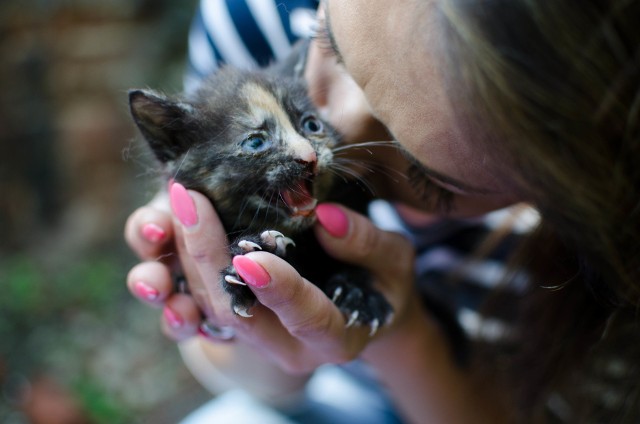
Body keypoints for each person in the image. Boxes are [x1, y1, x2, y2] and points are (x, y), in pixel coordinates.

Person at [125, 0, 640, 422]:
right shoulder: (262, 20)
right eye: (334, 50)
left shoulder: (591, 263)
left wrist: (403, 334)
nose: (331, 134)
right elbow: (253, 385)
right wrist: (239, 322)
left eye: (423, 173)